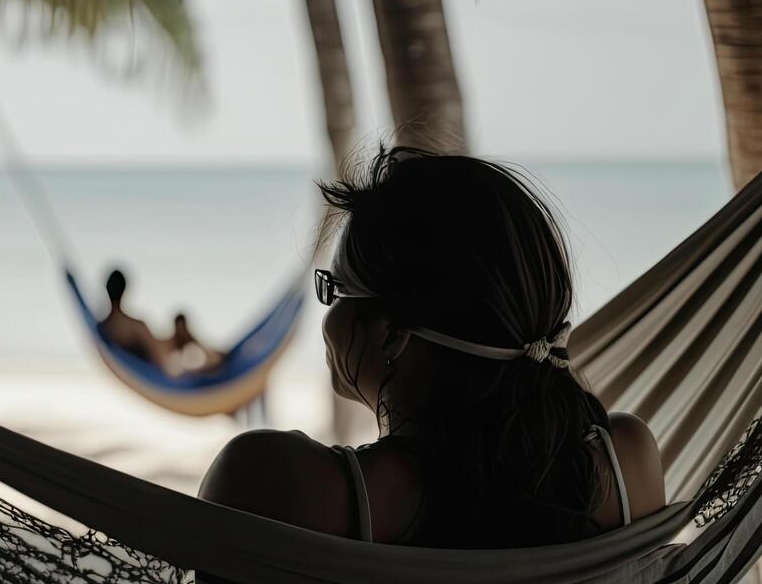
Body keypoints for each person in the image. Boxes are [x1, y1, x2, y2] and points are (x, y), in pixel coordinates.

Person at [198, 144, 665, 548]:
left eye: (335, 290)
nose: (329, 316)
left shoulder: (270, 481)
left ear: (393, 333)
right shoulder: (626, 467)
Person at [97, 269, 173, 368]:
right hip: (148, 372)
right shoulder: (137, 326)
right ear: (124, 290)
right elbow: (158, 358)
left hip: (130, 370)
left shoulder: (102, 327)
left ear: (106, 289)